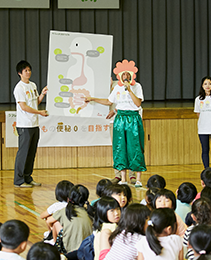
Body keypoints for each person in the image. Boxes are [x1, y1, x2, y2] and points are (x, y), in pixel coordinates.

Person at [85, 60, 146, 188]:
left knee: (135, 147)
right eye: (123, 74)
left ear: (131, 75)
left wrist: (129, 89)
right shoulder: (117, 88)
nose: (125, 76)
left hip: (133, 118)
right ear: (119, 76)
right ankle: (123, 178)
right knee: (120, 147)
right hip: (120, 119)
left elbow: (137, 103)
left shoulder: (137, 87)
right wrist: (92, 99)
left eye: (127, 74)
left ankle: (137, 178)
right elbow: (109, 101)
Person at [13, 60, 48, 188]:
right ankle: (19, 180)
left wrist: (43, 94)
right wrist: (39, 112)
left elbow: (35, 102)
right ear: (19, 73)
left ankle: (28, 177)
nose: (28, 73)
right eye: (25, 71)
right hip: (24, 125)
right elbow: (23, 107)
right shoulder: (19, 88)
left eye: (29, 70)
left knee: (31, 152)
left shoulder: (33, 85)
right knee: (23, 152)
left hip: (34, 124)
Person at [46, 184, 93, 254]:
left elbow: (49, 221)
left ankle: (56, 249)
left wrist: (52, 229)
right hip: (87, 250)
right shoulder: (89, 212)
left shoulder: (64, 211)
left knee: (56, 223)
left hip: (70, 251)